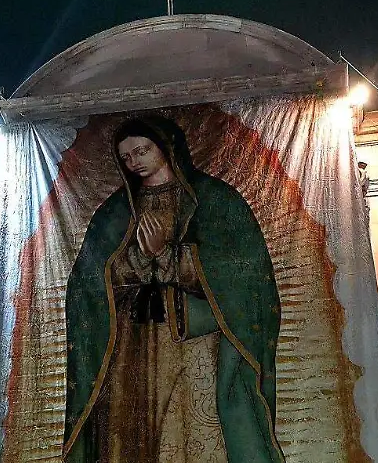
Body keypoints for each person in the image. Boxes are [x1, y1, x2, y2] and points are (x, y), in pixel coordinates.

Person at [64, 116, 283, 462]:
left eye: (142, 150)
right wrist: (138, 260)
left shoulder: (213, 202)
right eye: (126, 157)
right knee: (136, 438)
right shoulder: (115, 214)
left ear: (165, 147)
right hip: (132, 348)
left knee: (196, 433)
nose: (134, 161)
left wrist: (169, 256)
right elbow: (88, 283)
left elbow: (244, 279)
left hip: (197, 345)